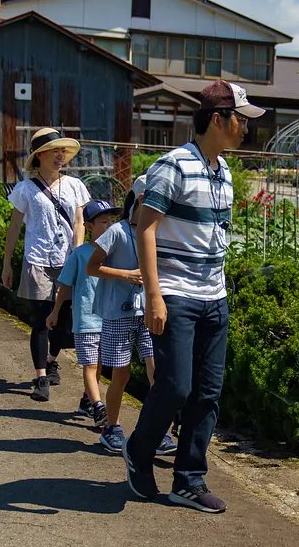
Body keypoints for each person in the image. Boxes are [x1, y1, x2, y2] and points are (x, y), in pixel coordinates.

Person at [121, 80, 261, 512]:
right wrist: (155, 297)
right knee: (176, 387)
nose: (246, 129)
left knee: (207, 392)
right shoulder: (174, 166)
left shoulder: (225, 174)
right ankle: (139, 451)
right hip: (176, 295)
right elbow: (145, 228)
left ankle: (188, 480)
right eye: (241, 120)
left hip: (213, 298)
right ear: (218, 120)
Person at [1, 128, 90, 402]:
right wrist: (7, 263)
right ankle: (40, 377)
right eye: (55, 151)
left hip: (67, 262)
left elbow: (79, 223)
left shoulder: (75, 185)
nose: (60, 156)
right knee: (40, 321)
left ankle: (52, 360)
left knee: (63, 322)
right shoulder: (25, 188)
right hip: (37, 260)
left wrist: (77, 257)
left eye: (63, 151)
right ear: (40, 155)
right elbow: (15, 226)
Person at [85, 191, 170, 455]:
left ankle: (160, 433)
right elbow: (91, 267)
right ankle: (112, 427)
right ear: (137, 201)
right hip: (118, 313)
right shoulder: (117, 231)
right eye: (148, 201)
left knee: (158, 372)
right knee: (121, 375)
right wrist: (126, 275)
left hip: (147, 311)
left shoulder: (156, 231)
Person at [48, 198, 117, 428]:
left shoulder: (116, 252)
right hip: (86, 319)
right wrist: (55, 312)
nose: (109, 226)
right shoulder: (79, 254)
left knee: (97, 365)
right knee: (89, 365)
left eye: (112, 222)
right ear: (88, 226)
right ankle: (98, 407)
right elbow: (65, 285)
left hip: (109, 319)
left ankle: (87, 400)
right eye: (103, 222)